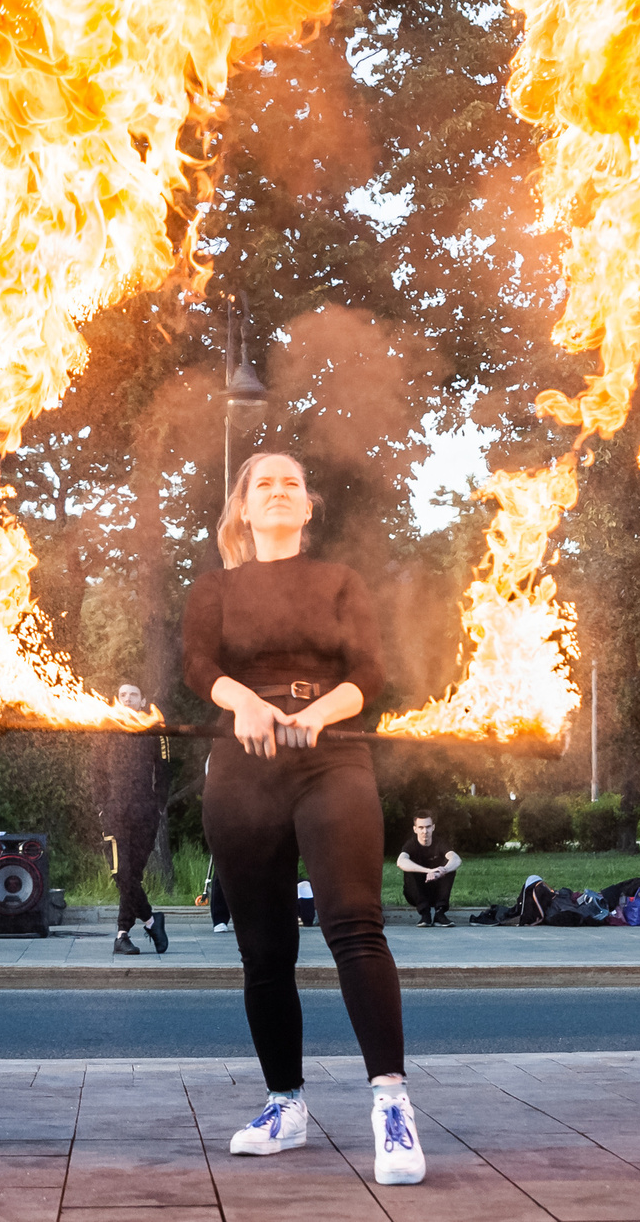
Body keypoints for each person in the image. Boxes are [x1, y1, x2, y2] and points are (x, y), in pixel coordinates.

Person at [183, 450, 424, 1185]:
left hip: (333, 754)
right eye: (265, 484)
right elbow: (198, 666)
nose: (280, 490)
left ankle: (392, 1105)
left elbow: (370, 673)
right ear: (243, 510)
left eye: (292, 482)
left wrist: (315, 712)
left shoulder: (340, 581)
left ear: (308, 506)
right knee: (264, 949)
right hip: (242, 760)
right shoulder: (214, 587)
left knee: (355, 924)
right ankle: (285, 1105)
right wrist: (247, 703)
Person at [106, 683, 170, 957]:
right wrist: (101, 806)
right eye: (123, 695)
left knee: (134, 875)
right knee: (122, 874)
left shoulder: (155, 729)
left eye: (133, 695)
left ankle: (125, 935)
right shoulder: (105, 729)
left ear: (143, 700)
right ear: (117, 700)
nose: (128, 699)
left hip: (145, 813)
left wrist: (158, 806)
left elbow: (166, 770)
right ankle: (150, 922)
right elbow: (95, 771)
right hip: (114, 814)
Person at [395, 811, 461, 926]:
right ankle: (425, 914)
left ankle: (440, 914)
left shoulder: (440, 843)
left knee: (450, 867)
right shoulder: (411, 844)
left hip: (437, 892)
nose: (425, 831)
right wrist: (429, 871)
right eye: (421, 827)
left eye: (428, 827)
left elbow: (456, 859)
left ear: (433, 827)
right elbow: (400, 861)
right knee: (409, 868)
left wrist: (441, 871)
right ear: (415, 829)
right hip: (415, 894)